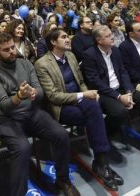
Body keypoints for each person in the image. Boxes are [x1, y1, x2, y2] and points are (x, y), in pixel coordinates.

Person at [0, 33, 80, 196]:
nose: (12, 51)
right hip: (7, 119)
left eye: (13, 47)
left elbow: (41, 91)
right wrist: (19, 96)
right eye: (6, 50)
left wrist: (35, 93)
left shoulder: (26, 64)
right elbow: (5, 106)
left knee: (61, 135)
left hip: (31, 113)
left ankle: (63, 179)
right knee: (22, 148)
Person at [35, 29, 121, 191]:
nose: (68, 39)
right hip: (61, 107)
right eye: (64, 37)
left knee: (93, 106)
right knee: (93, 112)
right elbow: (54, 96)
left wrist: (88, 94)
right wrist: (83, 94)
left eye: (68, 36)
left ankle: (101, 161)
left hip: (79, 100)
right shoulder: (42, 63)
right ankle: (101, 162)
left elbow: (81, 81)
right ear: (53, 42)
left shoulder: (71, 56)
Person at [82, 26, 140, 168]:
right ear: (99, 40)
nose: (113, 37)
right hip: (104, 92)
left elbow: (123, 72)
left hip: (122, 89)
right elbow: (94, 81)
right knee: (119, 112)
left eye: (112, 34)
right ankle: (106, 131)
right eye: (108, 35)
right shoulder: (90, 54)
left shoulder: (115, 51)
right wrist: (118, 96)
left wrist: (128, 91)